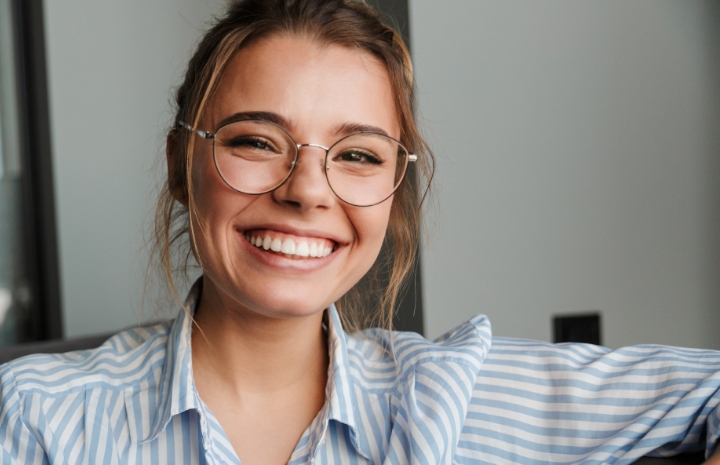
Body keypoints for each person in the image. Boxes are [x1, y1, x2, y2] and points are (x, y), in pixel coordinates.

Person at [1, 1, 719, 464]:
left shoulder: (450, 395)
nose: (307, 190)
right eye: (256, 141)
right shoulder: (38, 416)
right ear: (181, 164)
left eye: (357, 155)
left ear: (394, 189)